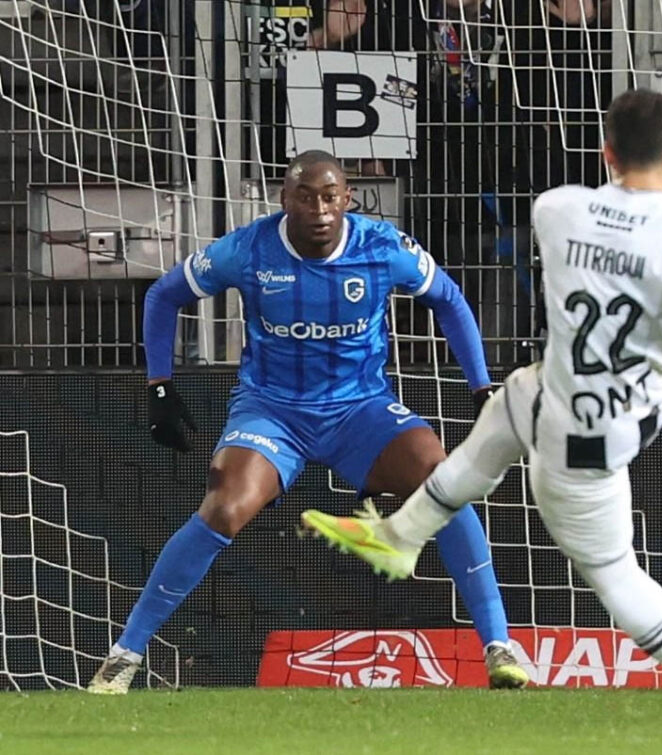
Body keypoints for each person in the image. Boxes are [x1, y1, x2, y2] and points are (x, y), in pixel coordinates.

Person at [301, 90, 662, 735]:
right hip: (607, 417)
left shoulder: (558, 209)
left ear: (607, 152)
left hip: (574, 434)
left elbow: (608, 244)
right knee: (514, 398)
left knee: (613, 571)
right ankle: (402, 537)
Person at [87, 150, 527, 693]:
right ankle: (123, 657)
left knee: (441, 481)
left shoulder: (381, 247)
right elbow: (164, 294)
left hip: (360, 409)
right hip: (272, 411)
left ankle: (499, 647)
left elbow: (450, 299)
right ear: (284, 199)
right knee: (225, 506)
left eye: (328, 196)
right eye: (304, 196)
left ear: (347, 199)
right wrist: (159, 384)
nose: (318, 209)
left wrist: (482, 386)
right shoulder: (249, 249)